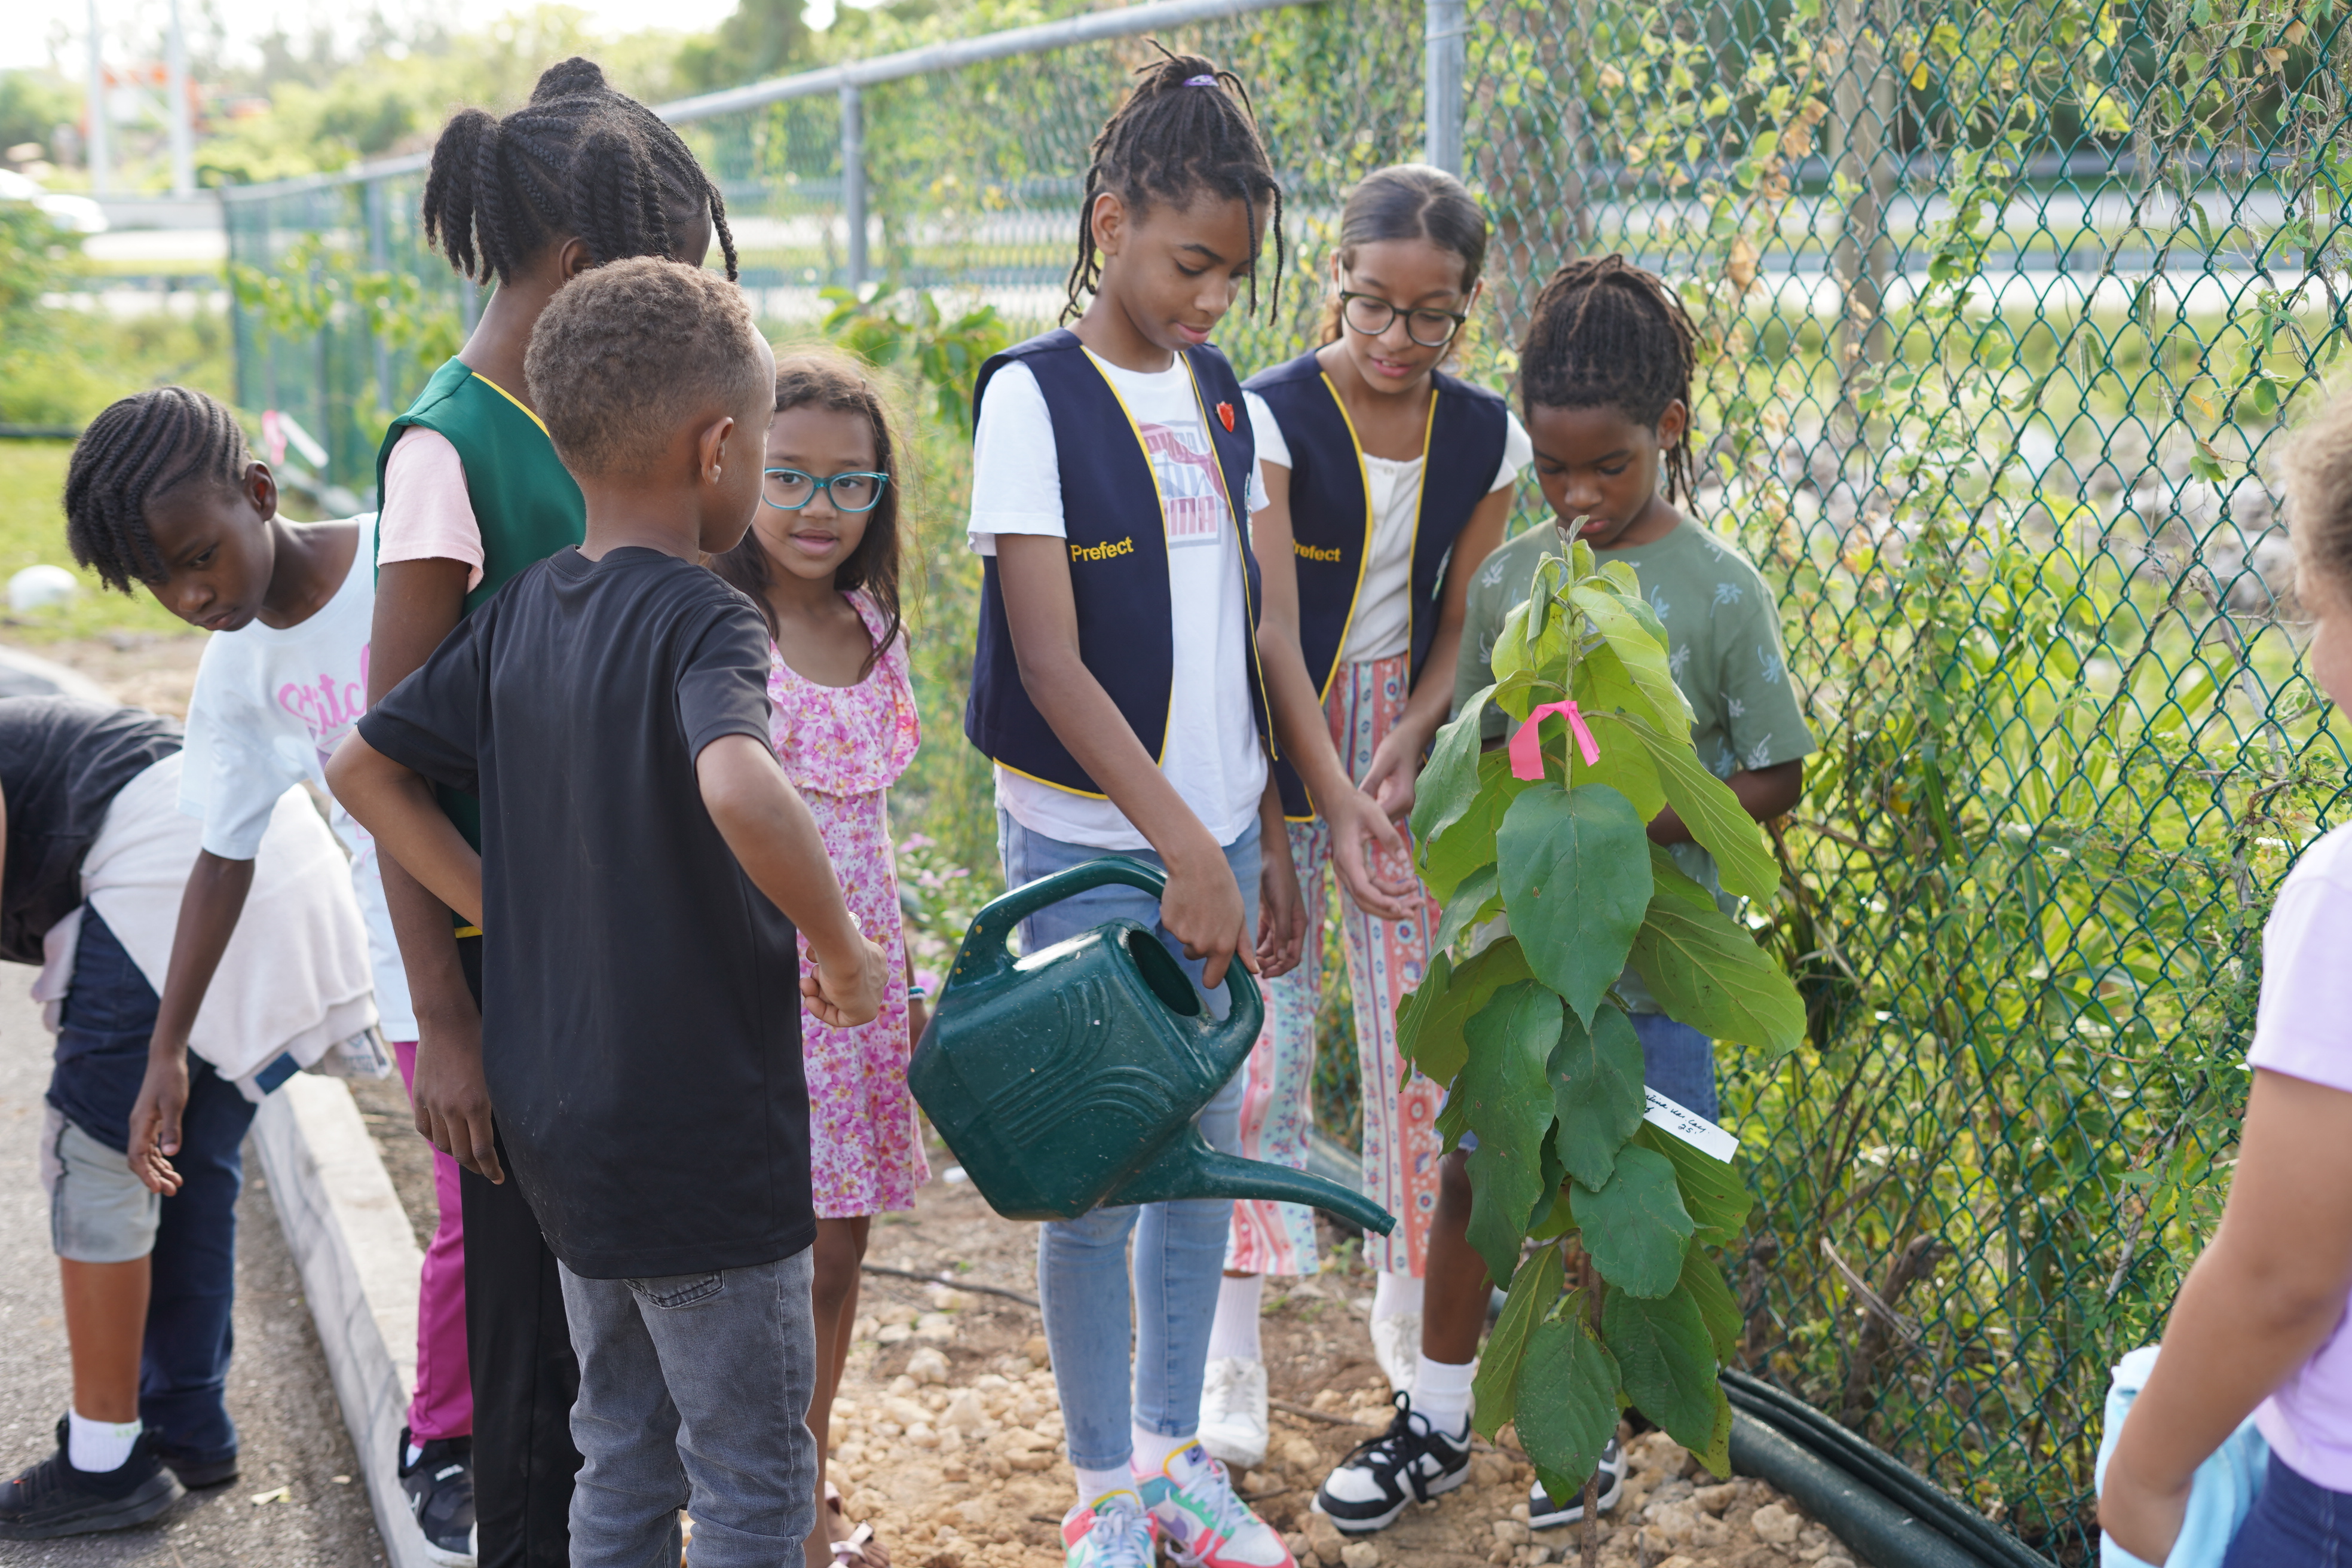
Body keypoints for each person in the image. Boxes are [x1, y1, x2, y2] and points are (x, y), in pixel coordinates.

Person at [332, 256, 887, 1568]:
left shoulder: (524, 607)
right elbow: (744, 785)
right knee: (754, 1478)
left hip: (564, 1138)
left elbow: (363, 766)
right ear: (720, 450)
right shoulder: (710, 616)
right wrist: (843, 946)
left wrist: (509, 915)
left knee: (620, 1448)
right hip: (702, 1148)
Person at [966, 49, 1402, 1568]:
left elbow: (1272, 640)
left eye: (1234, 272)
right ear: (1111, 223)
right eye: (1187, 263)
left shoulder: (1232, 407)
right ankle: (1100, 1494)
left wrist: (1289, 827)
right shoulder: (1033, 399)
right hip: (1097, 846)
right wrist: (1179, 854)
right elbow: (1049, 658)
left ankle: (1174, 1470)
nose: (1214, 298)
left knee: (1194, 1162)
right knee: (1095, 1176)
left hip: (1220, 841)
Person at [1312, 255, 1814, 1536]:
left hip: (1656, 966)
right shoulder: (1513, 580)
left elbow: (1773, 774)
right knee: (1478, 1172)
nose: (1579, 498)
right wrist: (1534, 805)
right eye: (1553, 470)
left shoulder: (1716, 590)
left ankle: (1577, 1434)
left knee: (1625, 1189)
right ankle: (1437, 1411)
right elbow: (1486, 741)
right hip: (1523, 963)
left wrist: (1629, 819)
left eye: (1611, 468)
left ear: (1671, 434)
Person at [368, 55, 738, 1568]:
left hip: (617, 971)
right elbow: (390, 768)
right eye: (669, 267)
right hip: (517, 992)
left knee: (620, 1382)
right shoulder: (450, 449)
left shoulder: (615, 433)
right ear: (584, 268)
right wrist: (454, 1007)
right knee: (532, 1388)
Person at [54, 385, 468, 1557]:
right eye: (164, 586)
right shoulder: (239, 673)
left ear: (260, 494)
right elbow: (219, 862)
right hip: (412, 968)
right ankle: (441, 1438)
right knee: (467, 1206)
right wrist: (166, 1048)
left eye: (200, 559)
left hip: (532, 910)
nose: (194, 598)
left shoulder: (409, 558)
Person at [1203, 164, 1528, 1468]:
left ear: (1468, 308)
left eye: (1431, 316)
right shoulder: (1270, 412)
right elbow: (1273, 628)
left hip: (1409, 742)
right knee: (1261, 1039)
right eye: (1370, 306)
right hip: (1279, 729)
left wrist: (1408, 739)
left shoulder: (1485, 434)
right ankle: (1231, 1349)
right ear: (1333, 281)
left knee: (1423, 1020)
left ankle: (1408, 1302)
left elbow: (1463, 617)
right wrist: (1324, 789)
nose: (1396, 340)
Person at [0, 695, 375, 1541]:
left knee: (97, 1154)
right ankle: (184, 1425)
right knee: (185, 1161)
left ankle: (106, 1467)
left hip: (188, 864)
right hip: (255, 855)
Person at [2097, 386, 2352, 1566]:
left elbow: (2284, 1274)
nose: (2312, 657)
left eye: (2315, 608)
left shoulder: (2342, 898)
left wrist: (2148, 1469)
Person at [707, 347, 923, 1568]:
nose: (817, 510)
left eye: (851, 485)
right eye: (789, 476)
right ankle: (738, 1493)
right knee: (745, 1266)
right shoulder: (715, 625)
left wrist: (905, 973)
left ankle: (803, 1483)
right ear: (735, 462)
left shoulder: (873, 624)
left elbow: (871, 830)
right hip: (751, 984)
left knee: (836, 1254)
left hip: (860, 991)